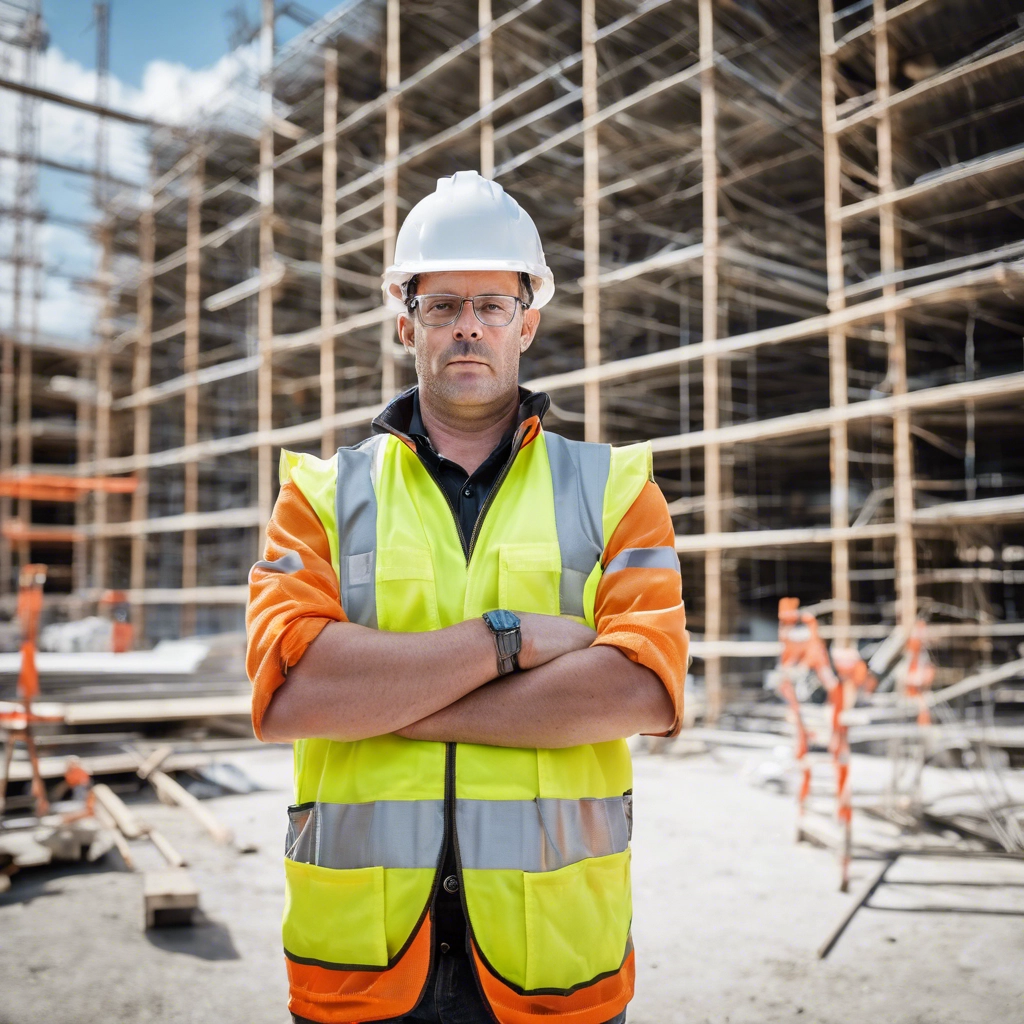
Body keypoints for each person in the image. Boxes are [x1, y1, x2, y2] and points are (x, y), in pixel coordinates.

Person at [246, 170, 689, 1024]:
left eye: (491, 304)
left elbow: (642, 689)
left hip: (556, 957)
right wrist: (509, 641)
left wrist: (386, 700)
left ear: (528, 320)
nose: (467, 327)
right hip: (360, 961)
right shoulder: (321, 495)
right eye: (443, 306)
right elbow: (289, 695)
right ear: (405, 320)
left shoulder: (615, 490)